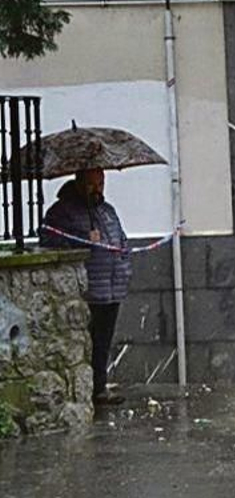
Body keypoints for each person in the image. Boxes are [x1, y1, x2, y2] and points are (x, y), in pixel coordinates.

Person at [40, 168, 130, 404]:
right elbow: (49, 240)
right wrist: (84, 240)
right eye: (92, 184)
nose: (97, 189)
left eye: (101, 183)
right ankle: (82, 392)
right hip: (88, 289)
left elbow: (121, 239)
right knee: (83, 343)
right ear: (79, 183)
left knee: (103, 342)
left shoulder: (107, 211)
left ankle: (98, 388)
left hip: (112, 288)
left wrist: (124, 263)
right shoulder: (62, 212)